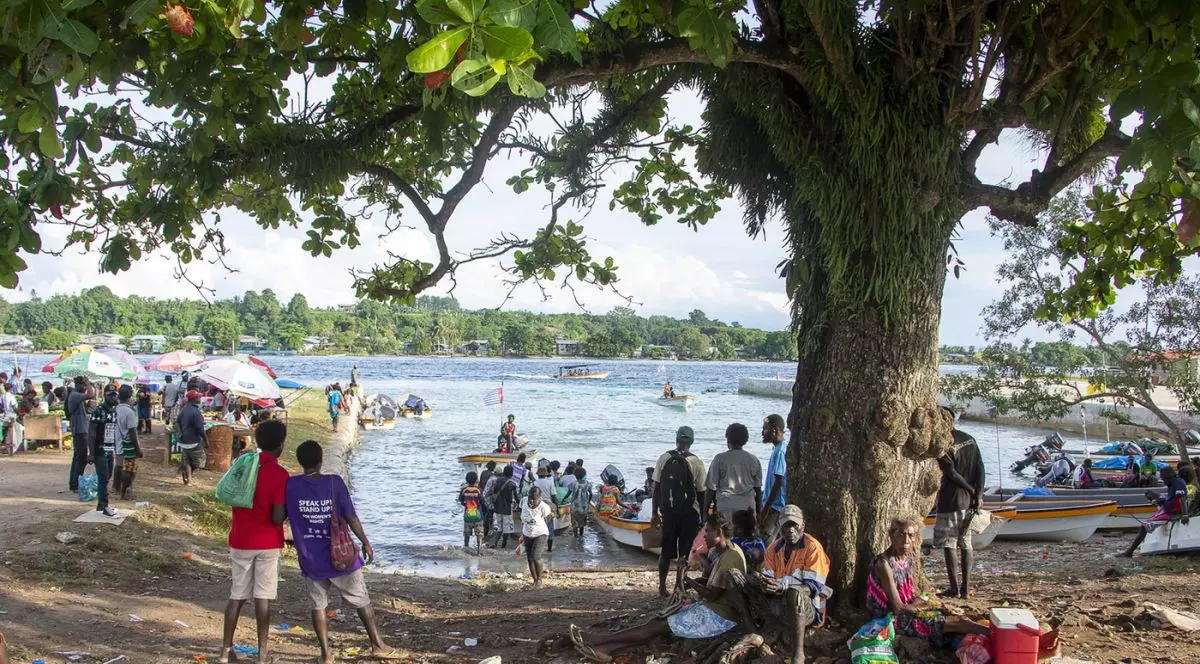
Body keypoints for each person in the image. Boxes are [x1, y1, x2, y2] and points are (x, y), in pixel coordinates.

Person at [568, 513, 746, 663]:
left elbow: (713, 595)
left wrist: (688, 581)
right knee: (656, 624)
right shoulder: (725, 550)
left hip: (720, 617)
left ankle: (600, 640)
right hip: (713, 609)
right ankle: (606, 648)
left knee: (657, 626)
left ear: (719, 531)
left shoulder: (730, 558)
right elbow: (711, 579)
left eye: (707, 530)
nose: (704, 534)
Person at [285, 440, 399, 663]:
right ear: (320, 461)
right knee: (361, 599)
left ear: (300, 462)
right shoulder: (334, 483)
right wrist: (365, 541)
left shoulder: (291, 485)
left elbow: (282, 515)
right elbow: (351, 517)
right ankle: (378, 645)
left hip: (310, 557)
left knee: (318, 605)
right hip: (341, 556)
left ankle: (326, 655)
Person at [220, 420, 290, 664]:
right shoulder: (280, 474)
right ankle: (262, 655)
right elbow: (277, 517)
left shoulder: (243, 465)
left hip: (240, 539)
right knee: (263, 597)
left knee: (236, 595)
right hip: (268, 542)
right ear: (280, 444)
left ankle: (225, 652)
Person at [726, 505, 830, 664]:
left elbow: (813, 587)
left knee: (795, 593)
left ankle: (798, 654)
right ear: (779, 526)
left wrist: (783, 587)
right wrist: (762, 582)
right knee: (733, 576)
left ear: (803, 525)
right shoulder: (773, 548)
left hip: (804, 609)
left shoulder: (812, 547)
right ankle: (753, 632)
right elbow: (768, 576)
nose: (790, 530)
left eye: (794, 525)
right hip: (776, 603)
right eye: (786, 525)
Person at [867, 517, 988, 645]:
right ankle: (1003, 636)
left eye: (911, 535)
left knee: (962, 615)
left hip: (908, 610)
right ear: (891, 535)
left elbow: (911, 597)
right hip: (889, 620)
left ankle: (996, 631)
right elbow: (898, 608)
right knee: (962, 624)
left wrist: (932, 603)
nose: (906, 540)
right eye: (901, 534)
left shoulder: (908, 557)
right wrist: (933, 606)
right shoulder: (883, 564)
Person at [651, 425, 707, 597]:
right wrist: (703, 518)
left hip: (668, 511)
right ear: (691, 441)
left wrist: (655, 513)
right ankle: (678, 587)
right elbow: (701, 493)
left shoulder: (664, 458)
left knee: (666, 551)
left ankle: (661, 587)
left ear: (676, 439)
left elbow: (657, 488)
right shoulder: (696, 462)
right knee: (684, 552)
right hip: (689, 513)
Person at [933, 428, 985, 600]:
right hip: (970, 502)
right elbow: (980, 467)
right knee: (966, 543)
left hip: (951, 499)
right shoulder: (970, 439)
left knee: (950, 544)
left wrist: (970, 489)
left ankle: (954, 588)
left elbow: (951, 473)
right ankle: (965, 589)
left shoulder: (944, 443)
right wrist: (978, 494)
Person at [1123, 465, 1190, 556]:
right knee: (1149, 493)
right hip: (1167, 506)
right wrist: (1161, 501)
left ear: (1169, 477)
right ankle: (1129, 551)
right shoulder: (1172, 483)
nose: (1164, 482)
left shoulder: (1178, 483)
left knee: (1144, 527)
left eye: (1164, 480)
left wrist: (1185, 515)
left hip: (1170, 512)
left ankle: (1129, 552)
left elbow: (1181, 499)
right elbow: (1172, 498)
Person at [705, 423, 764, 522]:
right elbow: (758, 489)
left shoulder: (720, 459)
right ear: (745, 440)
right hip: (747, 509)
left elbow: (711, 488)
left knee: (725, 536)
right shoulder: (753, 460)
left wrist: (705, 511)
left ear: (728, 439)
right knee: (745, 537)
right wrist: (758, 512)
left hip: (725, 507)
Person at [88, 388, 121, 519]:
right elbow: (92, 432)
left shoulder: (114, 412)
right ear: (105, 396)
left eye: (115, 395)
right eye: (111, 395)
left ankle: (101, 505)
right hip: (99, 449)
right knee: (103, 476)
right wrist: (91, 452)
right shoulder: (98, 410)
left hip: (110, 449)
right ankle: (104, 504)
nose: (114, 398)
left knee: (108, 476)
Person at [759, 414, 788, 542]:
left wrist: (765, 509)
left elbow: (778, 482)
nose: (762, 433)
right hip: (772, 506)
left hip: (775, 508)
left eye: (765, 429)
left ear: (774, 429)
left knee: (767, 543)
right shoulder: (776, 448)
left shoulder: (780, 451)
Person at [519, 485, 554, 586]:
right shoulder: (523, 501)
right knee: (529, 557)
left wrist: (541, 524)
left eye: (534, 499)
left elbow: (550, 516)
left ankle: (539, 580)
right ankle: (534, 580)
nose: (531, 501)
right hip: (527, 533)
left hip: (540, 533)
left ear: (539, 498)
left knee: (536, 556)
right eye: (530, 498)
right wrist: (522, 533)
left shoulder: (544, 506)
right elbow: (521, 516)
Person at [114, 385, 142, 500]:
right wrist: (137, 448)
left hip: (117, 442)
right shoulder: (129, 412)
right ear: (130, 396)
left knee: (120, 465)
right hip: (128, 444)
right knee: (129, 469)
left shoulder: (116, 409)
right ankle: (124, 491)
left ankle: (116, 487)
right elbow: (132, 432)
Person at [66, 376, 92, 492]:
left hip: (80, 428)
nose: (86, 387)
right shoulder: (75, 395)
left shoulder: (76, 396)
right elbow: (90, 394)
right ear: (79, 385)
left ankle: (74, 483)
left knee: (77, 457)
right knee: (81, 458)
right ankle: (76, 483)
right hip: (80, 430)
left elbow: (88, 403)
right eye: (84, 385)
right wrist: (89, 383)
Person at [176, 389, 207, 484]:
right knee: (199, 462)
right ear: (194, 399)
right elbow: (200, 428)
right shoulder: (195, 411)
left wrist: (180, 432)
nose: (200, 398)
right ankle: (187, 474)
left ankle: (188, 478)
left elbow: (177, 422)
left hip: (183, 441)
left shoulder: (184, 409)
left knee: (188, 460)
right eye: (198, 397)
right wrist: (206, 440)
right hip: (193, 441)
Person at [491, 465, 519, 549]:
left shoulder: (498, 480)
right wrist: (519, 505)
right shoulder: (512, 484)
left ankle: (495, 543)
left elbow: (494, 492)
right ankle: (503, 546)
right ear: (511, 473)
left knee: (499, 527)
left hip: (497, 507)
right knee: (506, 528)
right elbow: (516, 497)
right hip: (506, 508)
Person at [459, 471, 485, 554]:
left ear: (467, 480)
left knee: (467, 534)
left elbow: (461, 500)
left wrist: (465, 505)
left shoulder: (464, 490)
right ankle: (478, 551)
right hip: (478, 515)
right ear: (476, 480)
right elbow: (483, 501)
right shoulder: (478, 490)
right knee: (479, 534)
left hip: (468, 515)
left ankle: (466, 549)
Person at [535, 466, 560, 552]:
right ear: (546, 475)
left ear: (538, 475)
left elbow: (530, 496)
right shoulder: (550, 483)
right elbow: (554, 497)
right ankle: (549, 549)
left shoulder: (534, 483)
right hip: (548, 507)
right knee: (550, 527)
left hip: (537, 506)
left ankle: (537, 547)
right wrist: (558, 509)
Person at [568, 466, 592, 537]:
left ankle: (576, 536)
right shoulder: (587, 483)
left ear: (575, 475)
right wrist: (588, 501)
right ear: (584, 475)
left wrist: (564, 499)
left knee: (574, 522)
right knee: (582, 521)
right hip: (584, 506)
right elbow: (591, 493)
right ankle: (581, 535)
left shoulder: (573, 483)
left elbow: (568, 493)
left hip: (574, 506)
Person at [478, 461, 497, 538]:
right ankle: (488, 530)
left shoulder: (483, 473)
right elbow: (491, 489)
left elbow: (480, 484)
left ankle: (484, 529)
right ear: (493, 467)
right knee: (489, 514)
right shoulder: (492, 476)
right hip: (488, 497)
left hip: (482, 494)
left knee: (484, 512)